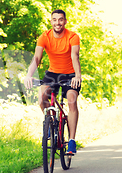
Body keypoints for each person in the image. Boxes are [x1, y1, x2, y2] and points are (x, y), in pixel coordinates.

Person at [24, 9, 82, 154]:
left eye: (61, 19)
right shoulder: (44, 36)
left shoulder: (73, 36)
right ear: (51, 22)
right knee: (42, 98)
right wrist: (29, 75)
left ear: (65, 22)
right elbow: (37, 58)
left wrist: (77, 75)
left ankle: (72, 141)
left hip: (70, 74)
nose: (58, 23)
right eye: (54, 20)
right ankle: (51, 125)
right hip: (52, 74)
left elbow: (75, 56)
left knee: (71, 99)